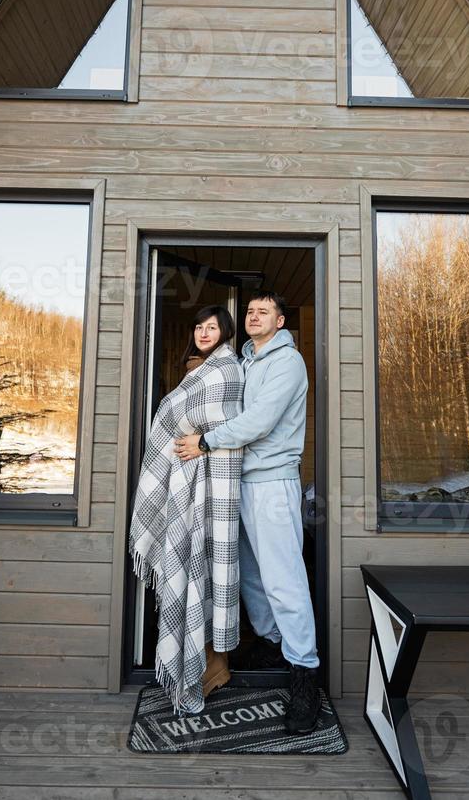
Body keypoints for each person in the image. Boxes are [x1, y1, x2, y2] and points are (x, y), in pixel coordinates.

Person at [174, 291, 319, 734]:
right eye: (250, 312)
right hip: (237, 481)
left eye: (264, 312)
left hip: (272, 484)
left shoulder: (286, 363)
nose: (255, 316)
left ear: (279, 322)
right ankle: (273, 644)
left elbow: (259, 420)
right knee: (251, 574)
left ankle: (305, 677)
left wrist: (206, 442)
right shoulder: (246, 361)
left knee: (284, 579)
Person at [128, 306, 246, 715]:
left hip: (214, 485)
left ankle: (212, 665)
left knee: (207, 565)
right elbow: (176, 418)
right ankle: (199, 665)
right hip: (185, 482)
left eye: (212, 327)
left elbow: (220, 417)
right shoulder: (194, 371)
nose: (203, 331)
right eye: (199, 326)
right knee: (192, 563)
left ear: (225, 333)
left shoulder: (228, 370)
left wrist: (190, 428)